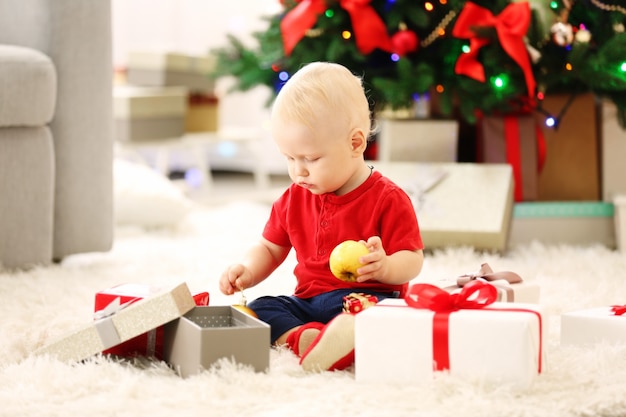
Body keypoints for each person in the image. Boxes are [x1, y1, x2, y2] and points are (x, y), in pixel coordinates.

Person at [219, 61, 424, 372]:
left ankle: (343, 335)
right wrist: (247, 270)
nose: (298, 171)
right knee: (263, 306)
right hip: (308, 302)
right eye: (289, 158)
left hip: (362, 297)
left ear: (355, 143)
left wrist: (385, 266)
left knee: (383, 315)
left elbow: (413, 258)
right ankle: (306, 338)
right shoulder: (293, 197)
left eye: (310, 159)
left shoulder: (388, 198)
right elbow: (270, 248)